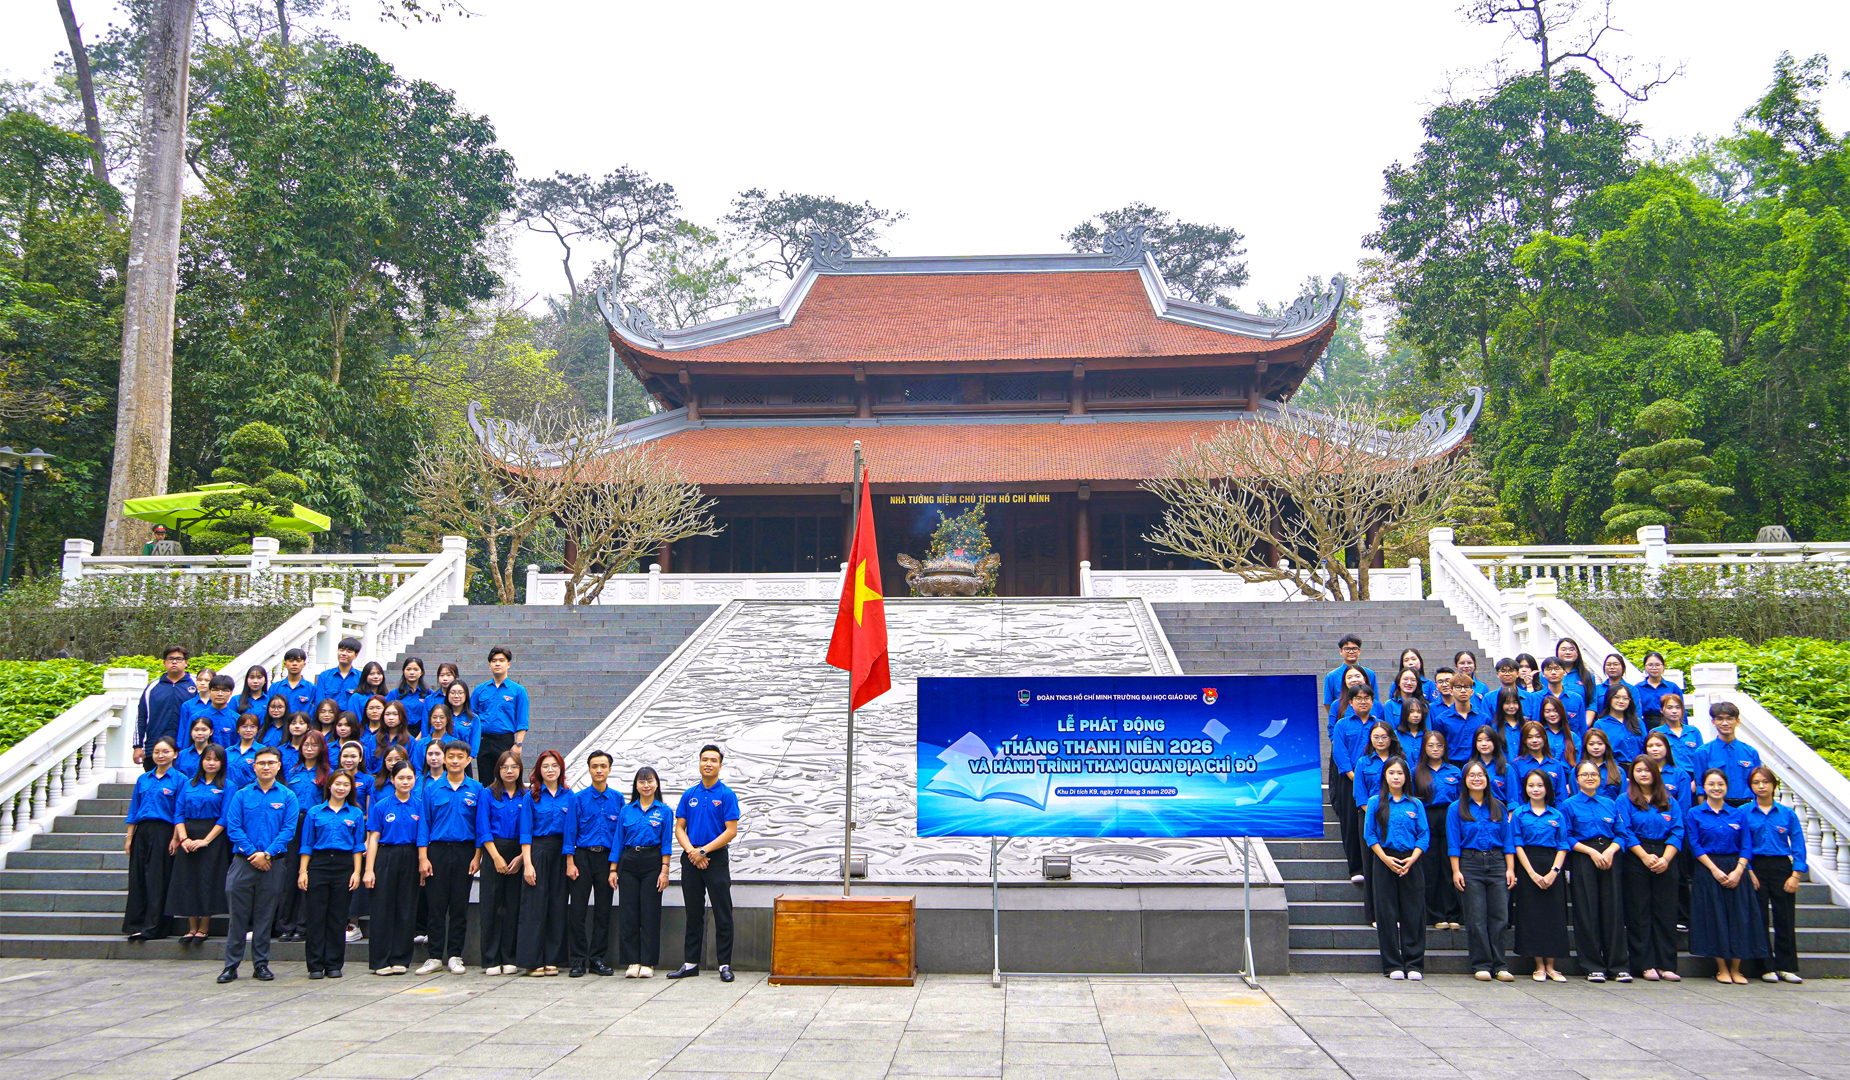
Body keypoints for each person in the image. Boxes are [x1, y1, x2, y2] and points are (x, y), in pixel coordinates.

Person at [218, 747, 301, 983]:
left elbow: (288, 830)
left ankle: (261, 965)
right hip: (243, 863)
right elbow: (233, 827)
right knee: (238, 918)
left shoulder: (287, 796)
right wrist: (254, 853)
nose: (266, 767)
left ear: (278, 766)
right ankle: (230, 966)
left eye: (271, 763)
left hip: (273, 864)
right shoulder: (242, 795)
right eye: (261, 763)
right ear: (253, 766)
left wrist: (267, 854)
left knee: (265, 917)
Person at [1687, 768, 1768, 984]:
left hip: (1735, 868)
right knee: (1715, 918)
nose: (1716, 788)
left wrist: (1740, 870)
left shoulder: (1738, 813)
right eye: (1711, 784)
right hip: (1708, 869)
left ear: (1727, 787)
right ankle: (1721, 968)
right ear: (1704, 787)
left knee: (1739, 917)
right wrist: (1713, 869)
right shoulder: (1694, 813)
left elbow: (1746, 844)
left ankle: (1737, 969)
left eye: (1720, 784)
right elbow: (1694, 845)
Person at [668, 744, 740, 982]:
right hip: (691, 859)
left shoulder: (726, 795)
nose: (708, 763)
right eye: (704, 759)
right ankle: (690, 963)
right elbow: (679, 828)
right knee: (693, 911)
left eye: (713, 760)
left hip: (715, 858)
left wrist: (704, 851)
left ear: (720, 765)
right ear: (699, 763)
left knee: (722, 912)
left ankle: (724, 965)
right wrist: (692, 852)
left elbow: (731, 831)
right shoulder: (690, 794)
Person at [419, 740, 484, 975]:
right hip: (437, 851)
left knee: (459, 906)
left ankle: (455, 955)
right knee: (436, 906)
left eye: (460, 757)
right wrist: (423, 858)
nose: (455, 761)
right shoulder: (432, 789)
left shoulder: (476, 789)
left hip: (465, 851)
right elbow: (424, 825)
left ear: (468, 760)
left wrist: (477, 856)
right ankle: (434, 956)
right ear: (444, 759)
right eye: (451, 756)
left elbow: (480, 826)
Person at [1448, 760, 1515, 982]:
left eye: (1481, 775)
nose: (1477, 779)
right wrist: (1456, 871)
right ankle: (1482, 964)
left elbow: (1508, 842)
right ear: (1465, 780)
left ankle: (1500, 965)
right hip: (1470, 862)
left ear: (1487, 780)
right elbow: (1454, 843)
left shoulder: (1499, 807)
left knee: (1500, 916)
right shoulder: (1455, 808)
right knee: (1476, 918)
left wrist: (1510, 869)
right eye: (1472, 775)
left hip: (1497, 863)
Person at [1563, 759, 1629, 982]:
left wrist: (1610, 851)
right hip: (1583, 855)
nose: (1590, 777)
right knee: (1586, 911)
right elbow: (1567, 836)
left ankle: (1618, 965)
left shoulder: (1610, 803)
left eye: (1594, 775)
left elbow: (1621, 833)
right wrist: (1592, 852)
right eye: (1585, 775)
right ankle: (1592, 965)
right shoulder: (1569, 805)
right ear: (1577, 779)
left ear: (1600, 779)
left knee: (1613, 910)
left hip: (1610, 855)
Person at [1363, 757, 1427, 979]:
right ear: (1385, 776)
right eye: (1392, 773)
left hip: (1411, 861)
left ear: (1406, 776)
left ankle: (1414, 964)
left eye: (1400, 773)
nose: (1396, 777)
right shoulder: (1375, 802)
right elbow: (1369, 834)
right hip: (1384, 861)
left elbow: (1423, 835)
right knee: (1386, 913)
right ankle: (1392, 965)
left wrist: (1413, 858)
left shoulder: (1416, 804)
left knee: (1414, 912)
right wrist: (1385, 859)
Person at [1620, 755, 1683, 982]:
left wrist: (1665, 859)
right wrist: (1645, 857)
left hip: (1666, 855)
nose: (1643, 774)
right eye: (1638, 770)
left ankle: (1667, 964)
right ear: (1632, 774)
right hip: (1637, 856)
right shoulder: (1624, 800)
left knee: (1665, 912)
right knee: (1639, 912)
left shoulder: (1669, 800)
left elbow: (1677, 831)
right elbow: (1625, 831)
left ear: (1655, 773)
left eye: (1648, 770)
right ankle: (1644, 964)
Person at [299, 769, 365, 979]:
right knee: (316, 916)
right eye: (338, 784)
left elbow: (357, 845)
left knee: (338, 917)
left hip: (344, 865)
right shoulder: (315, 812)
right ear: (329, 786)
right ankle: (316, 965)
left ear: (351, 789)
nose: (341, 788)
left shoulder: (355, 813)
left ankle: (334, 963)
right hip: (318, 864)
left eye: (346, 785)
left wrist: (356, 872)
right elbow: (307, 844)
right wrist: (303, 871)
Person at [364, 760, 428, 975]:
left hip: (410, 856)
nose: (405, 781)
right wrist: (369, 869)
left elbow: (423, 837)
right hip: (386, 856)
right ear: (392, 780)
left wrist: (421, 863)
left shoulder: (419, 805)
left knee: (406, 909)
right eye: (400, 777)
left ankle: (401, 958)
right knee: (382, 908)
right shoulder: (382, 805)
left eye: (409, 778)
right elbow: (373, 838)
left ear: (415, 780)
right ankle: (380, 961)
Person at [1746, 766, 1807, 984]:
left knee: (1785, 918)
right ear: (1750, 786)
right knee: (1759, 918)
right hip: (1756, 867)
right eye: (1756, 782)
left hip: (1782, 868)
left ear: (1774, 785)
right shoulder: (1745, 812)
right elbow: (1742, 845)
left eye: (1765, 782)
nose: (1761, 786)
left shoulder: (1787, 813)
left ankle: (1787, 967)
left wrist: (1796, 874)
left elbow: (1798, 845)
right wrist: (1749, 872)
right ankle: (1765, 967)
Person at [565, 750, 623, 977]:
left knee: (603, 910)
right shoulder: (578, 799)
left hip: (607, 860)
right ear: (589, 769)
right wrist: (570, 862)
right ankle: (578, 959)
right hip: (582, 858)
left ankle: (598, 958)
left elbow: (619, 836)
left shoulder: (617, 799)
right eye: (594, 766)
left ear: (609, 769)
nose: (599, 770)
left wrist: (614, 867)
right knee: (577, 910)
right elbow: (570, 832)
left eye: (603, 766)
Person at [613, 765, 673, 978]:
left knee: (650, 913)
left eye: (650, 781)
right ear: (636, 785)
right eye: (642, 781)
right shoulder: (626, 810)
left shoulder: (664, 811)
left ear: (656, 784)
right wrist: (613, 869)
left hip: (652, 861)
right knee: (629, 913)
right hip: (628, 861)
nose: (646, 785)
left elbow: (666, 843)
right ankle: (632, 961)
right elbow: (618, 842)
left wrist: (664, 870)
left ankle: (648, 962)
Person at [168, 744, 231, 943]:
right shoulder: (188, 784)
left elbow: (224, 818)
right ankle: (191, 927)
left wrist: (205, 841)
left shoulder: (228, 786)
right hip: (188, 836)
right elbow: (178, 813)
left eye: (216, 759)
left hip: (212, 838)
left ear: (222, 763)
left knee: (207, 881)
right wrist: (183, 838)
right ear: (201, 761)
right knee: (188, 881)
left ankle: (204, 928)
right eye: (207, 759)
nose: (211, 763)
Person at [518, 750, 573, 976]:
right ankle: (533, 960)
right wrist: (528, 864)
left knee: (557, 905)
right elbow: (525, 832)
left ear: (561, 769)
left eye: (554, 766)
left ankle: (553, 958)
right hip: (538, 852)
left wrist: (570, 861)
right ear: (539, 770)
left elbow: (570, 832)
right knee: (534, 907)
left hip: (560, 852)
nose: (550, 770)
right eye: (545, 766)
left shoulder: (569, 796)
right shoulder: (531, 797)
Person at [1511, 769, 1570, 982]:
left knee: (1553, 916)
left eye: (1540, 785)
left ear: (1548, 789)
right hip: (1529, 865)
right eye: (1531, 786)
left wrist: (1554, 871)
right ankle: (1538, 966)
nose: (1535, 789)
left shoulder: (1557, 814)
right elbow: (1517, 844)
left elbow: (1563, 845)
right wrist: (1531, 873)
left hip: (1552, 864)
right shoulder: (1519, 814)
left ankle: (1552, 966)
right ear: (1525, 789)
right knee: (1532, 916)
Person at [123, 738, 183, 941]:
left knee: (158, 879)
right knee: (138, 877)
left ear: (175, 754)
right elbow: (134, 809)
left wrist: (175, 838)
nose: (160, 755)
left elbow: (179, 812)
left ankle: (155, 927)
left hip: (164, 832)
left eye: (165, 751)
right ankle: (136, 924)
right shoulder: (144, 779)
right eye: (157, 751)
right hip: (142, 831)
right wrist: (130, 837)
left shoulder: (179, 779)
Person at [276, 731, 330, 943]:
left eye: (314, 745)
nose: (308, 748)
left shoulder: (326, 772)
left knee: (308, 874)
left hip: (315, 823)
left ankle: (303, 924)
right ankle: (285, 925)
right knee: (290, 875)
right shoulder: (293, 770)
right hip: (293, 823)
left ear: (321, 748)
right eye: (305, 745)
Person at [476, 750, 526, 975]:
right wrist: (495, 857)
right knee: (491, 906)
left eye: (513, 767)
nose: (509, 771)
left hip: (518, 852)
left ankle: (510, 957)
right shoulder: (488, 794)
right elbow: (482, 827)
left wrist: (521, 857)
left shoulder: (526, 796)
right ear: (498, 770)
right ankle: (490, 959)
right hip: (493, 850)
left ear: (520, 770)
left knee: (513, 906)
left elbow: (529, 829)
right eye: (505, 767)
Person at [1353, 721, 1403, 925]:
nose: (1381, 740)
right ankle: (1374, 915)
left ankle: (1397, 914)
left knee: (1396, 866)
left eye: (1384, 736)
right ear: (1371, 740)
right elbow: (1360, 795)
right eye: (1376, 737)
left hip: (1398, 819)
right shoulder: (1363, 763)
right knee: (1372, 867)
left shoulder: (1399, 762)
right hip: (1370, 819)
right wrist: (1377, 814)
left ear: (1391, 738)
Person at [1328, 684, 1377, 885]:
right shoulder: (1342, 725)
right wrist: (1353, 776)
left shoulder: (1379, 725)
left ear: (1372, 701)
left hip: (1375, 781)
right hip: (1349, 780)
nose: (1363, 701)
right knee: (1350, 823)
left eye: (1367, 698)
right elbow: (1340, 753)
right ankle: (1355, 867)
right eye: (1358, 698)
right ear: (1350, 702)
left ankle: (1374, 865)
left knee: (1374, 820)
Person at [1413, 730, 1461, 931]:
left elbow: (1461, 800)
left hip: (1450, 818)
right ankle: (1435, 915)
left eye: (1439, 746)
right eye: (1431, 745)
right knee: (1431, 869)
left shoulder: (1455, 771)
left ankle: (1453, 914)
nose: (1435, 749)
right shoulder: (1417, 771)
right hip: (1427, 817)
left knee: (1450, 867)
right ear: (1424, 747)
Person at [135, 648, 196, 771]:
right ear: (164, 663)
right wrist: (137, 746)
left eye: (179, 659)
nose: (174, 662)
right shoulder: (153, 687)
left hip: (187, 747)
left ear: (186, 662)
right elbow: (141, 717)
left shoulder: (196, 684)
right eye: (170, 659)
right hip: (156, 747)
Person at [472, 647, 529, 772]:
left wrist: (518, 744)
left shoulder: (518, 690)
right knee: (486, 781)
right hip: (483, 741)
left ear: (508, 664)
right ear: (489, 665)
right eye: (494, 661)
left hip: (505, 742)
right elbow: (472, 718)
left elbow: (522, 720)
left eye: (501, 660)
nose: (497, 663)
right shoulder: (480, 690)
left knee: (506, 779)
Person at [1694, 702, 1761, 806]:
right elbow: (1700, 786)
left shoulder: (1751, 752)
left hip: (1747, 807)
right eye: (1720, 719)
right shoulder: (1703, 752)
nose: (1725, 723)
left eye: (1729, 719)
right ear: (1713, 722)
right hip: (1717, 807)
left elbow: (1758, 782)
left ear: (1737, 721)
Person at [1511, 721, 1570, 801]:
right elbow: (1516, 795)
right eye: (1529, 737)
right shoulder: (1517, 764)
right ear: (1524, 740)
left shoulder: (1556, 765)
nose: (1534, 740)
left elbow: (1561, 796)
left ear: (1545, 738)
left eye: (1538, 736)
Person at [1590, 683, 1646, 764]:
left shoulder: (1638, 722)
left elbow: (1645, 745)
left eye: (1625, 698)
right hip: (1614, 768)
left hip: (1639, 768)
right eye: (1616, 697)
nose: (1621, 701)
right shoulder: (1600, 725)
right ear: (1609, 699)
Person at [1323, 635, 1377, 715]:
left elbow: (1375, 700)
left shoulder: (1370, 674)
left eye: (1354, 649)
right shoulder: (1331, 676)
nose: (1351, 652)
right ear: (1341, 651)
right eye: (1347, 649)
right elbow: (1328, 703)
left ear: (1359, 651)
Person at [1464, 726, 1516, 805]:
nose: (1484, 744)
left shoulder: (1506, 768)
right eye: (1479, 740)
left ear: (1495, 742)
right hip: (1474, 810)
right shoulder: (1468, 768)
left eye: (1488, 740)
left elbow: (1512, 799)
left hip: (1500, 811)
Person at [389, 658, 439, 736]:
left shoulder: (429, 694)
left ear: (422, 672)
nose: (412, 672)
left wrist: (420, 737)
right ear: (403, 671)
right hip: (399, 733)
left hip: (423, 732)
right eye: (408, 669)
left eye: (416, 669)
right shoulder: (394, 694)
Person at [1554, 638, 1597, 724]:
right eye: (1563, 649)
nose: (1568, 652)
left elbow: (1592, 703)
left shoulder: (1587, 676)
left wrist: (1585, 725)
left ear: (1577, 653)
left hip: (1579, 725)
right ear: (1557, 652)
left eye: (1572, 649)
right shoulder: (1547, 675)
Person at [1635, 651, 1683, 728]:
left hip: (1670, 723)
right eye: (1650, 665)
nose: (1654, 668)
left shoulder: (1672, 687)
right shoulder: (1638, 688)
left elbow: (1682, 709)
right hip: (1646, 725)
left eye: (1657, 665)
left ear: (1663, 667)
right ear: (1645, 667)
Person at [315, 637, 364, 711]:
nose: (344, 654)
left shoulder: (361, 677)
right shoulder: (324, 676)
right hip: (330, 719)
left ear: (356, 655)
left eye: (349, 651)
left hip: (352, 720)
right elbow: (319, 703)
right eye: (341, 650)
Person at [194, 675, 241, 750]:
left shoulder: (237, 719)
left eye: (225, 690)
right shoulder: (197, 717)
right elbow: (187, 745)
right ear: (209, 691)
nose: (220, 694)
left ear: (231, 693)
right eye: (215, 690)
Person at [367, 701, 414, 775]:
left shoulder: (410, 741)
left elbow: (412, 766)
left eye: (395, 714)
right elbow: (367, 766)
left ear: (402, 717)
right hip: (376, 781)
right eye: (387, 714)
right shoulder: (374, 739)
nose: (391, 718)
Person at [1650, 693, 1702, 760]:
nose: (1674, 711)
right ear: (1661, 710)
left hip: (1692, 770)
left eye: (1678, 707)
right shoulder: (1656, 733)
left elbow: (1701, 757)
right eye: (1669, 708)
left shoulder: (1693, 732)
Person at [1579, 729, 1625, 799]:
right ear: (1585, 746)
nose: (1596, 747)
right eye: (1591, 744)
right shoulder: (1577, 771)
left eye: (1600, 743)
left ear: (1606, 745)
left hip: (1612, 809)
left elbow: (1623, 799)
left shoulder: (1618, 771)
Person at [225, 713, 265, 790]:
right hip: (228, 793)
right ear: (238, 729)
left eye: (253, 726)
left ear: (257, 730)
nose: (248, 730)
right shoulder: (227, 752)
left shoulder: (263, 751)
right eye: (244, 726)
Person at [1535, 695, 1578, 764]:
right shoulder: (1538, 735)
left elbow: (1578, 764)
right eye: (1547, 711)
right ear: (1543, 713)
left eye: (1555, 711)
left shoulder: (1573, 737)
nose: (1552, 714)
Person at [274, 649, 317, 715]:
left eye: (298, 661)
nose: (294, 664)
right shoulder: (275, 687)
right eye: (291, 661)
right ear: (285, 664)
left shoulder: (312, 689)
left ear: (304, 664)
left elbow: (313, 712)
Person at [1592, 653, 1633, 719]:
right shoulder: (1597, 689)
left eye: (1616, 664)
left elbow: (1636, 713)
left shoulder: (1632, 689)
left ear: (1623, 667)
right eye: (1608, 664)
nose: (1612, 667)